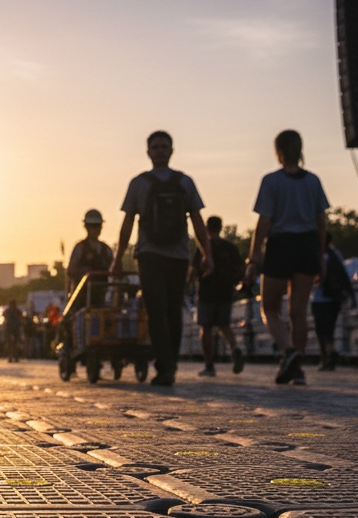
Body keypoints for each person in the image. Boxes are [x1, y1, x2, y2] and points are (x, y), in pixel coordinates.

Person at [111, 130, 213, 386]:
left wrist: (206, 254)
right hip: (156, 255)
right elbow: (127, 224)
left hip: (166, 255)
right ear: (148, 151)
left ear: (171, 150)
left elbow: (199, 224)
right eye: (155, 147)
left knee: (166, 311)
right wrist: (118, 258)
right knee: (162, 311)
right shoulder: (176, 182)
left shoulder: (155, 182)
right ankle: (168, 365)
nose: (159, 151)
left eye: (163, 146)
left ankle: (167, 366)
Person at [245, 130, 329, 386]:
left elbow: (264, 222)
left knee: (269, 306)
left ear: (277, 151)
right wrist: (321, 256)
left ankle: (288, 351)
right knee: (298, 313)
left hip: (280, 245)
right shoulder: (313, 181)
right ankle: (298, 369)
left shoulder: (271, 181)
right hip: (306, 245)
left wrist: (253, 258)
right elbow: (321, 222)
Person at [191, 216, 245, 377]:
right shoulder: (230, 247)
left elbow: (193, 271)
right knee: (224, 325)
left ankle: (209, 365)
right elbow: (241, 268)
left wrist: (188, 285)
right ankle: (234, 349)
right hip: (225, 292)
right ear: (221, 228)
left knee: (206, 328)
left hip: (207, 292)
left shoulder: (202, 248)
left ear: (207, 228)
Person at [311, 232, 354, 371]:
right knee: (330, 328)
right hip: (335, 298)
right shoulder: (336, 254)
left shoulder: (316, 254)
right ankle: (331, 351)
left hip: (319, 298)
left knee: (320, 330)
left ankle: (326, 356)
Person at [66, 209, 114, 297]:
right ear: (86, 227)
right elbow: (71, 271)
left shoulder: (106, 249)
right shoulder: (80, 248)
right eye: (92, 226)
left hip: (102, 296)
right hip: (81, 297)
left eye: (98, 226)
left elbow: (114, 270)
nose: (95, 229)